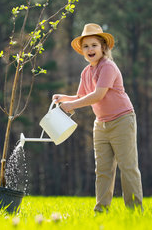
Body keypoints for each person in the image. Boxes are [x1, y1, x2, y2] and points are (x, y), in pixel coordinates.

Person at [53, 23, 143, 212]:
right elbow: (80, 96)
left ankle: (135, 211)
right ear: (82, 51)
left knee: (128, 167)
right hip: (100, 124)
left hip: (122, 120)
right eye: (86, 46)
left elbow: (97, 95)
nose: (90, 49)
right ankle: (101, 210)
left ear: (103, 47)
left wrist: (71, 106)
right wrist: (64, 98)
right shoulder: (86, 72)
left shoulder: (108, 67)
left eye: (94, 45)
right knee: (102, 171)